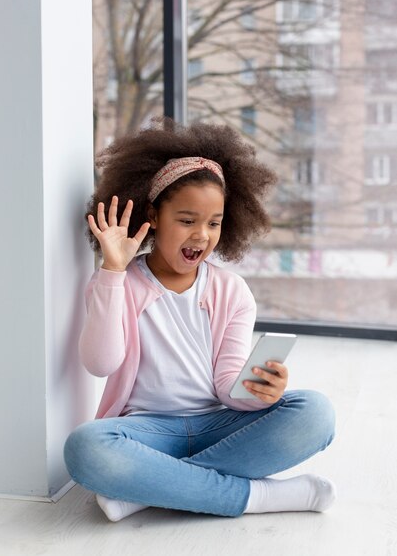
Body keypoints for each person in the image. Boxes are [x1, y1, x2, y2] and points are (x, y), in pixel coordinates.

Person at [64, 118, 336, 522]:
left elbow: (229, 390)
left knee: (316, 412)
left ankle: (151, 489)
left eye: (214, 223)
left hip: (219, 423)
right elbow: (100, 364)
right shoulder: (117, 283)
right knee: (85, 447)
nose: (202, 236)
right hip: (147, 433)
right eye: (187, 220)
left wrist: (262, 391)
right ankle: (260, 497)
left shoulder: (232, 291)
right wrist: (113, 272)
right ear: (154, 216)